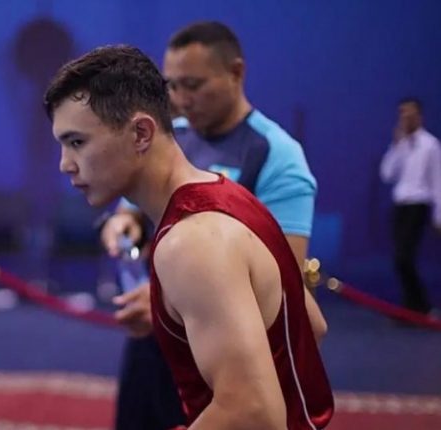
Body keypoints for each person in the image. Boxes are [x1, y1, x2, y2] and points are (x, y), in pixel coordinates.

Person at [45, 43, 334, 430]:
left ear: (141, 133)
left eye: (77, 142)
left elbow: (252, 412)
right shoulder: (229, 197)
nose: (65, 164)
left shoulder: (191, 242)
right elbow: (311, 323)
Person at [380, 97, 441, 315]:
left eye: (410, 113)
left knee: (404, 257)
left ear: (419, 116)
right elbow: (387, 174)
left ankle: (421, 306)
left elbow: (437, 180)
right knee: (399, 259)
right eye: (402, 114)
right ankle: (410, 307)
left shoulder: (431, 144)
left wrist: (438, 215)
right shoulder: (400, 145)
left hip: (419, 204)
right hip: (401, 205)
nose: (405, 118)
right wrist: (397, 146)